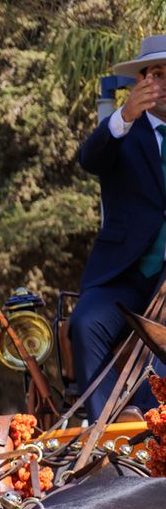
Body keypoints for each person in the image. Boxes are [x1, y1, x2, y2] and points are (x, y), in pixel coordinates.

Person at [73, 35, 166, 417]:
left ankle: (148, 422)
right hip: (123, 273)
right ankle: (110, 428)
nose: (165, 84)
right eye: (157, 74)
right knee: (85, 323)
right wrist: (125, 116)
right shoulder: (121, 130)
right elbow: (89, 159)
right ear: (141, 80)